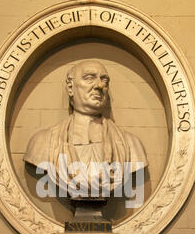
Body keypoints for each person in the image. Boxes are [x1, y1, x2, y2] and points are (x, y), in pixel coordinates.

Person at [24, 60, 148, 197]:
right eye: (89, 78)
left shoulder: (131, 145)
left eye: (104, 81)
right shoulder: (43, 142)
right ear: (71, 88)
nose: (99, 85)